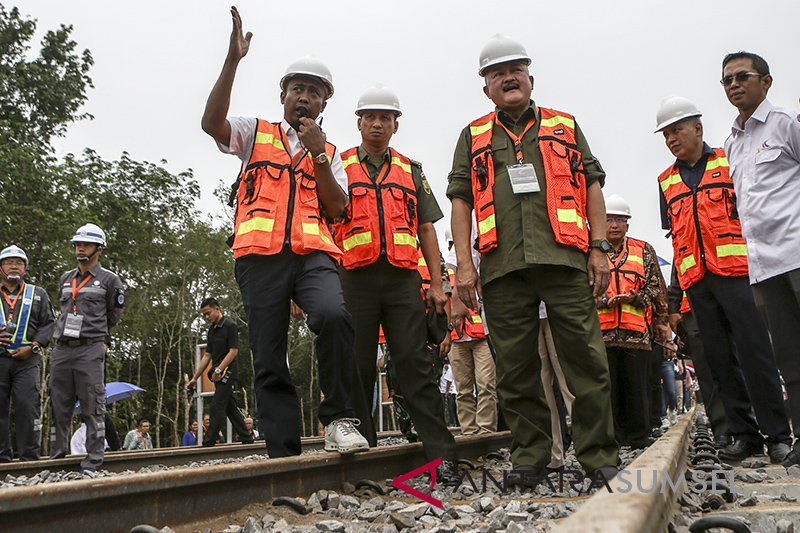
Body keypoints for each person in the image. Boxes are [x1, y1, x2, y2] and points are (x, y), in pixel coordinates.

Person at [447, 34, 619, 485]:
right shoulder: (473, 135)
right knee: (515, 367)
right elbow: (460, 200)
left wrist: (599, 249)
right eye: (496, 73)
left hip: (564, 260)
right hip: (503, 268)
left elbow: (592, 185)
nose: (508, 78)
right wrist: (465, 265)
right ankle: (530, 456)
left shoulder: (564, 124)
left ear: (530, 77)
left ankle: (599, 456)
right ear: (486, 87)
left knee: (586, 359)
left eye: (515, 69)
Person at [201, 7, 367, 458]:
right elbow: (210, 123)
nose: (304, 98)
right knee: (269, 351)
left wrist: (316, 156)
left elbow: (338, 208)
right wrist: (232, 61)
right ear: (283, 94)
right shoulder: (256, 132)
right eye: (297, 89)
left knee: (334, 315)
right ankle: (282, 451)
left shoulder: (330, 152)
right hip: (259, 256)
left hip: (314, 255)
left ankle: (338, 420)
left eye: (314, 93)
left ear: (324, 104)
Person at [655, 95, 791, 463]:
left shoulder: (729, 162)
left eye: (677, 131)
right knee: (718, 361)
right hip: (697, 282)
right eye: (665, 135)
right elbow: (678, 236)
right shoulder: (665, 181)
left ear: (698, 129)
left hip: (738, 276)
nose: (671, 139)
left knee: (756, 354)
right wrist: (676, 296)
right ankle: (743, 434)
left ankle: (778, 435)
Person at [332, 84, 457, 481]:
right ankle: (363, 460)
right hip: (353, 278)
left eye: (385, 118)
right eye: (370, 117)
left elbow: (427, 229)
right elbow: (321, 219)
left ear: (395, 125)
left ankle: (441, 455)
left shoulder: (410, 169)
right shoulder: (339, 164)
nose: (377, 124)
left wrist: (437, 285)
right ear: (358, 122)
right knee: (357, 366)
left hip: (403, 280)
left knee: (416, 366)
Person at [721, 51, 800, 467]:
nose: (734, 85)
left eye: (742, 76)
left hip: (797, 251)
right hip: (765, 265)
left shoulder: (785, 122)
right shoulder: (733, 143)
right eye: (727, 80)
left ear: (765, 82)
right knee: (790, 356)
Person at [49, 224, 124, 473]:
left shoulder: (110, 280)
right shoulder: (65, 279)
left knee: (93, 404)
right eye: (78, 244)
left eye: (87, 245)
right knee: (59, 403)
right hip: (62, 349)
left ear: (99, 249)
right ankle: (58, 458)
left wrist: (96, 336)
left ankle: (93, 460)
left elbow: (113, 316)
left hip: (90, 348)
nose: (81, 249)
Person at [596, 194, 669, 449]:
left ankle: (639, 437)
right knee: (610, 388)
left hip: (636, 333)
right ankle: (615, 437)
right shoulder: (591, 252)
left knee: (638, 387)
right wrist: (604, 302)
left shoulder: (643, 249)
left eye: (619, 220)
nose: (614, 225)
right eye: (608, 220)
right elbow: (582, 290)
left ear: (628, 223)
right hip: (602, 334)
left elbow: (656, 287)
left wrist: (643, 301)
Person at [0, 245, 55, 461]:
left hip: (27, 360)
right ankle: (2, 458)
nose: (14, 266)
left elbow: (49, 324)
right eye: (8, 262)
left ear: (25, 268)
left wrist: (33, 346)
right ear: (0, 267)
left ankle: (29, 458)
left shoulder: (37, 293)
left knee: (27, 407)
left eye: (19, 262)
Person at [666, 266, 731, 448]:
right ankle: (722, 430)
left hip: (729, 300)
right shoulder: (684, 237)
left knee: (732, 365)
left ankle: (744, 427)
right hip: (693, 309)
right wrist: (674, 307)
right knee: (707, 371)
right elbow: (678, 271)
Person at [446, 232, 498, 436]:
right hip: (457, 337)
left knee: (486, 385)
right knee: (463, 389)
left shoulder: (482, 265)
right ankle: (469, 433)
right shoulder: (446, 272)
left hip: (481, 335)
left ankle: (486, 433)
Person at [186, 297, 252, 446]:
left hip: (227, 372)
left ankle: (208, 441)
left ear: (217, 308)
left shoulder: (230, 326)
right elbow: (207, 355)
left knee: (217, 405)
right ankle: (247, 438)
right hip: (216, 374)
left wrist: (219, 369)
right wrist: (194, 378)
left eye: (208, 313)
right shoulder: (211, 331)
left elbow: (233, 351)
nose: (206, 317)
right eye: (204, 315)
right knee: (230, 407)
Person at [439, 362, 458, 427]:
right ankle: (446, 422)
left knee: (451, 407)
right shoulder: (440, 369)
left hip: (452, 390)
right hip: (442, 390)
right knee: (443, 406)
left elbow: (449, 381)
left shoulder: (450, 368)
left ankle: (453, 422)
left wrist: (447, 391)